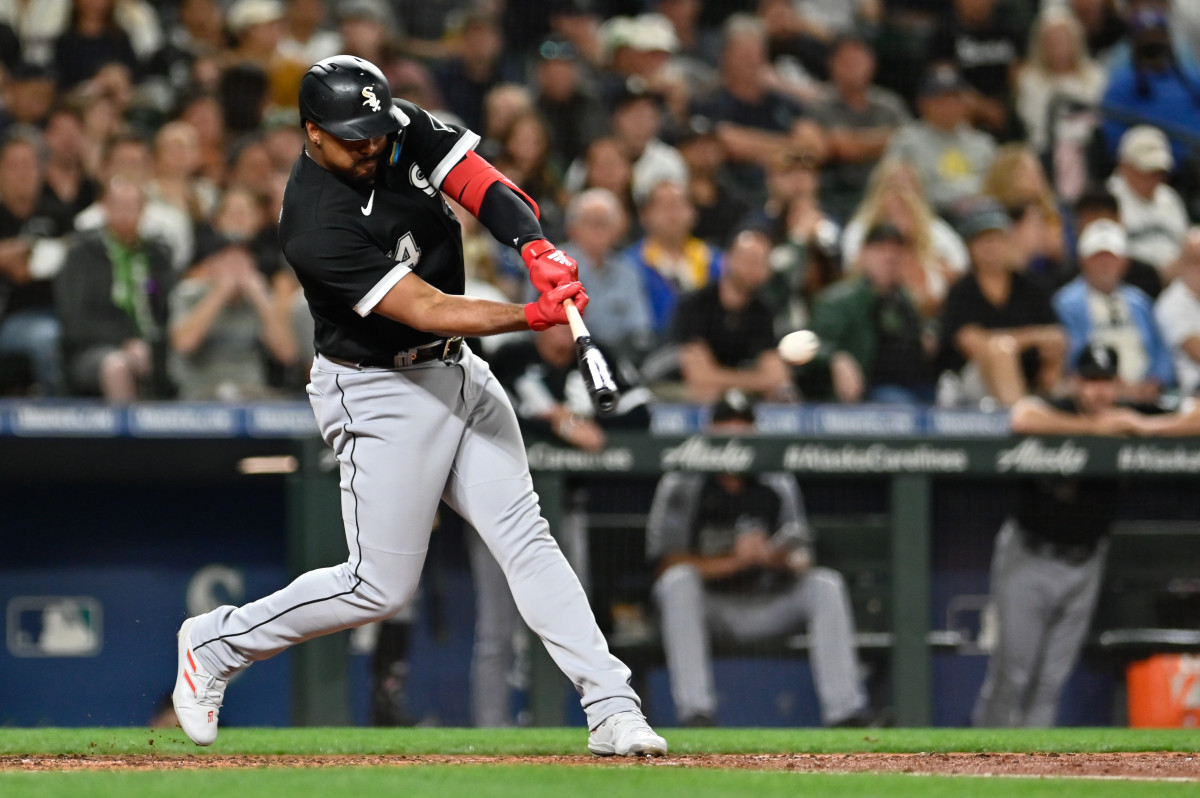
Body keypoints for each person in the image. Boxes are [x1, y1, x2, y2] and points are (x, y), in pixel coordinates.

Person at [170, 55, 667, 758]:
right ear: (312, 133)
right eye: (353, 136)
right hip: (377, 387)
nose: (371, 144)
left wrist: (536, 245)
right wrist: (532, 315)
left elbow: (479, 182)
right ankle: (217, 642)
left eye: (374, 128)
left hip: (457, 372)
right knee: (377, 587)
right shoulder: (313, 222)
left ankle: (611, 705)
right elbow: (425, 309)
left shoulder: (391, 126)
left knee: (526, 538)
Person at [973, 343, 1200, 727]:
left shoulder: (1131, 414)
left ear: (1118, 385)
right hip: (1030, 556)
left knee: (1050, 683)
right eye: (1090, 381)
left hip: (1085, 563)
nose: (1098, 391)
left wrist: (1143, 427)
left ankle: (1030, 774)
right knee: (1012, 677)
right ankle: (976, 765)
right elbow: (1022, 418)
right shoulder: (1059, 408)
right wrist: (1095, 430)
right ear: (1074, 382)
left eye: (1106, 382)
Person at [646, 390, 871, 727]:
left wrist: (776, 557)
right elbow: (665, 564)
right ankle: (697, 713)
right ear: (710, 431)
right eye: (726, 426)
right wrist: (736, 560)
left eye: (743, 426)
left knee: (824, 584)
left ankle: (846, 714)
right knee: (678, 583)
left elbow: (801, 557)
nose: (735, 435)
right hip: (711, 610)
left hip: (768, 603)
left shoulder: (775, 479)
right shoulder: (684, 479)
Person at [937, 198, 1067, 407]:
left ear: (1008, 241)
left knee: (1055, 344)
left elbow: (1053, 335)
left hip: (1029, 374)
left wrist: (1036, 342)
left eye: (997, 239)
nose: (991, 247)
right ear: (971, 246)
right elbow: (973, 343)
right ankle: (1020, 415)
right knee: (1000, 351)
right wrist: (1030, 337)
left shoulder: (1031, 286)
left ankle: (1047, 402)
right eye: (983, 240)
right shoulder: (962, 290)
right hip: (974, 379)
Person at [54, 177, 173, 401]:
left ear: (143, 210)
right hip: (92, 349)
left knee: (167, 357)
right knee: (117, 366)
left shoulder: (156, 254)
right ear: (104, 208)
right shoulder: (82, 254)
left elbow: (162, 304)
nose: (125, 214)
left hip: (152, 344)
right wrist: (124, 340)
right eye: (118, 206)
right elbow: (73, 320)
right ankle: (128, 433)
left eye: (132, 207)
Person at [805, 223, 936, 404]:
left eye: (896, 251)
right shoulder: (838, 300)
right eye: (881, 250)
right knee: (900, 404)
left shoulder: (905, 300)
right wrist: (837, 358)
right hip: (870, 388)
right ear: (863, 255)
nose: (890, 257)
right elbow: (811, 345)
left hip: (916, 384)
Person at [1053, 219, 1174, 401]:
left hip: (1145, 392)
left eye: (1111, 257)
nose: (1105, 264)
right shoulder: (1066, 302)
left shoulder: (1139, 301)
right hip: (1093, 392)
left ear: (1124, 262)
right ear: (1083, 261)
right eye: (1097, 257)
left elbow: (1161, 349)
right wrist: (1109, 385)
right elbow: (1070, 355)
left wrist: (1154, 382)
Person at [670, 228, 793, 403]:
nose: (754, 270)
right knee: (705, 392)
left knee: (782, 394)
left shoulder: (763, 310)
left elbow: (777, 376)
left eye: (761, 263)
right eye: (749, 261)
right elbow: (699, 375)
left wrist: (725, 379)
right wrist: (757, 380)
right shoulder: (695, 304)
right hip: (671, 382)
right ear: (728, 260)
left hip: (729, 386)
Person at [884, 64, 996, 214]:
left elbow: (996, 187)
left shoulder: (983, 144)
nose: (949, 106)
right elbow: (895, 187)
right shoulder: (906, 141)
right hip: (927, 215)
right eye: (941, 99)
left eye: (955, 99)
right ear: (923, 103)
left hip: (980, 215)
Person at [1106, 125, 1189, 293]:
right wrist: (1156, 275)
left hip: (1180, 284)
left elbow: (1185, 244)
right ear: (1125, 166)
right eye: (1147, 171)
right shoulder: (1108, 198)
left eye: (1159, 172)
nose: (1155, 179)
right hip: (1132, 287)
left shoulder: (1169, 197)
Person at [1154, 226, 1200, 395]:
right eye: (1197, 260)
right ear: (1183, 263)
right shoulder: (1171, 303)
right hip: (1192, 390)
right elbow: (1196, 350)